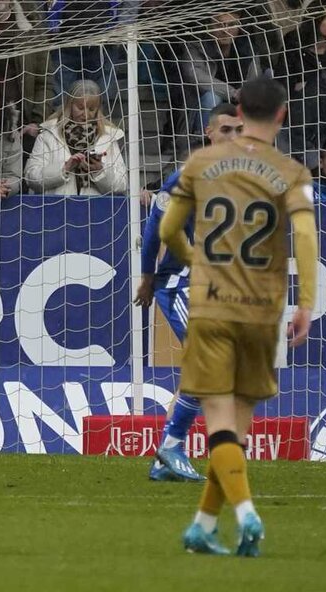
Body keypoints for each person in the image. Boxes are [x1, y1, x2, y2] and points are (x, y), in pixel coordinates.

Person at [159, 76, 318, 556]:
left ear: (240, 109)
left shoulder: (202, 161)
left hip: (211, 305)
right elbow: (306, 238)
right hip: (261, 310)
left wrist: (197, 262)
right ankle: (203, 526)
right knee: (238, 430)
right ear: (282, 115)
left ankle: (247, 515)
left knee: (219, 424)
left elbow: (168, 229)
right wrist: (305, 301)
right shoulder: (291, 172)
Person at [134, 102, 243, 483]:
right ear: (208, 134)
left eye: (239, 131)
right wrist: (147, 276)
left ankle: (165, 457)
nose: (233, 137)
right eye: (226, 130)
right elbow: (155, 228)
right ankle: (171, 446)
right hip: (181, 281)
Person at [25, 79, 127, 196]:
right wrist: (64, 168)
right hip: (55, 209)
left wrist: (99, 171)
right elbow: (31, 177)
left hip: (95, 210)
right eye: (80, 107)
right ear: (70, 104)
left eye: (91, 109)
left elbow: (122, 184)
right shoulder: (48, 135)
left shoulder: (108, 137)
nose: (86, 114)